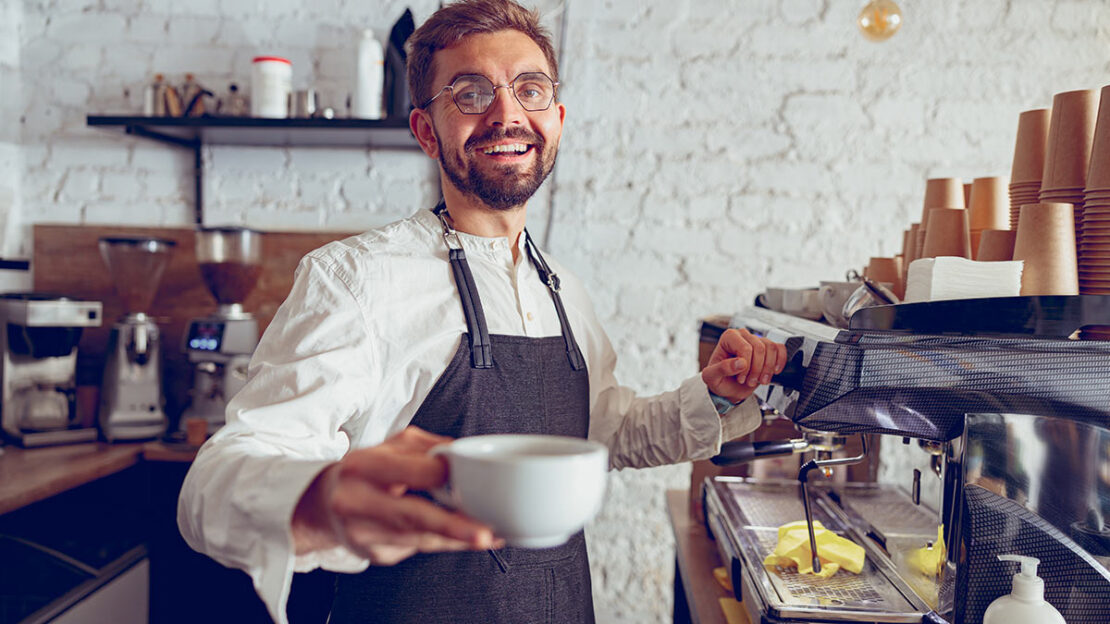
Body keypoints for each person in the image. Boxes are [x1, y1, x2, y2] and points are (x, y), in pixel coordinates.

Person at [177, 1, 786, 622]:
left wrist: (712, 396)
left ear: (557, 118)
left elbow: (602, 434)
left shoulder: (564, 290)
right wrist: (316, 501)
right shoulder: (355, 279)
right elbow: (216, 482)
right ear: (425, 131)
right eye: (469, 93)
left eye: (530, 89)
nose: (507, 114)